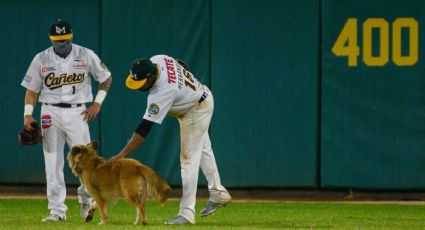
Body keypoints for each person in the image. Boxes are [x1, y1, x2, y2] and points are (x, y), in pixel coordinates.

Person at [107, 55, 231, 224]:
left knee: (188, 160)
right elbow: (182, 63)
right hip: (199, 99)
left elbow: (143, 130)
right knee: (203, 151)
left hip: (196, 109)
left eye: (141, 82)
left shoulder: (162, 92)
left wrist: (121, 154)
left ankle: (187, 212)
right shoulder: (158, 59)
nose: (138, 87)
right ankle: (218, 193)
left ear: (151, 77)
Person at [21, 19, 112, 222]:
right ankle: (57, 211)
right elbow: (31, 91)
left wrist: (97, 103)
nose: (61, 44)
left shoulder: (85, 54)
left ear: (71, 37)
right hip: (49, 113)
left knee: (86, 163)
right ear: (51, 39)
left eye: (64, 40)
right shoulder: (41, 58)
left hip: (78, 112)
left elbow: (106, 78)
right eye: (57, 40)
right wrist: (27, 114)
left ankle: (86, 201)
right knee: (52, 163)